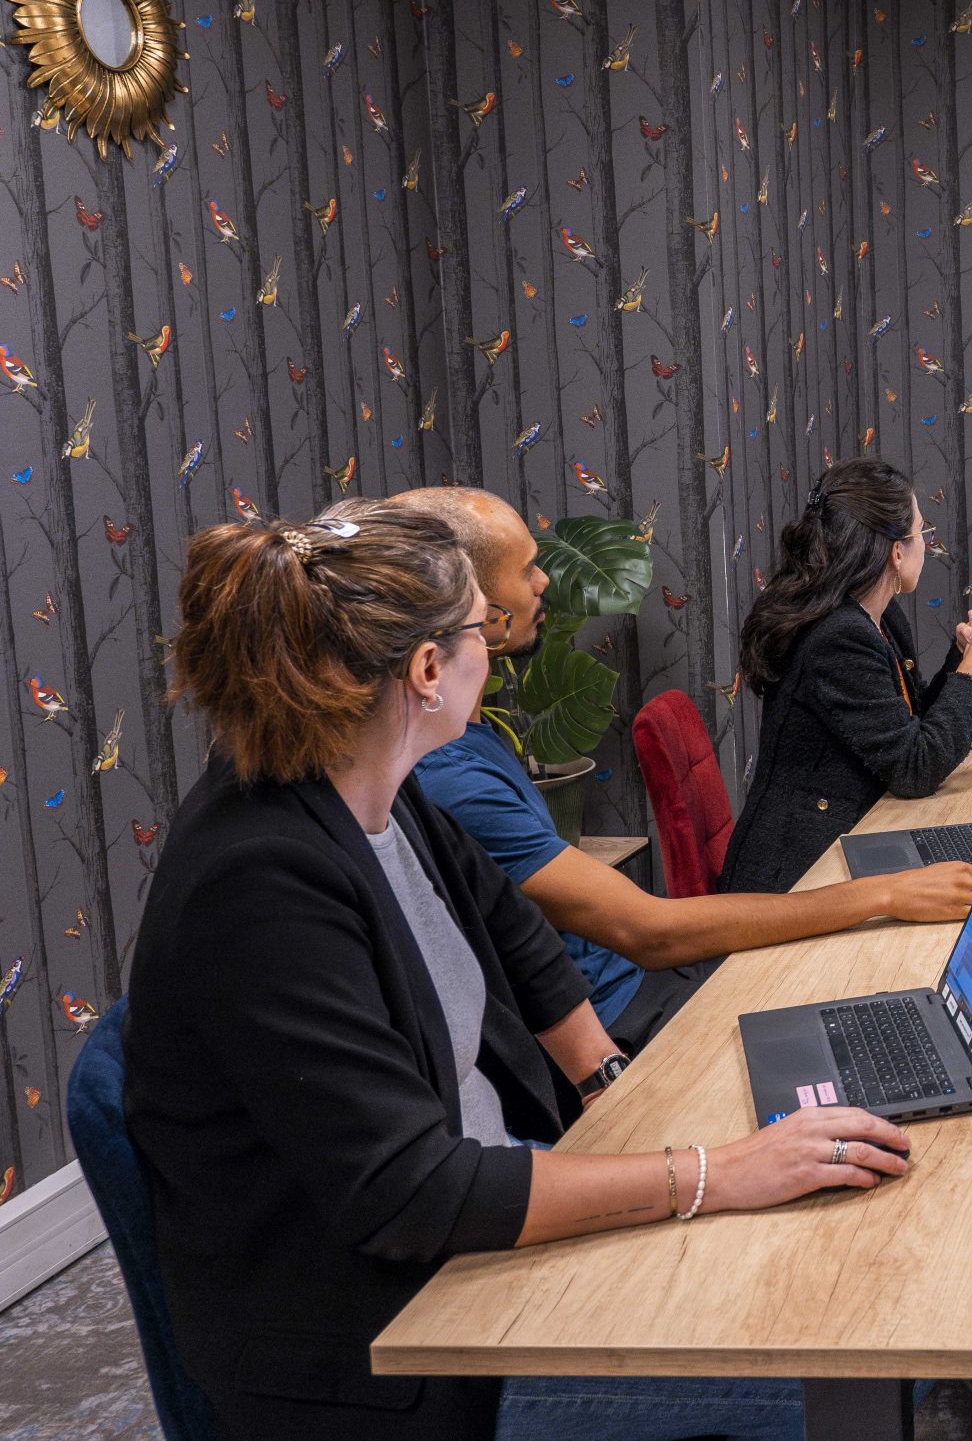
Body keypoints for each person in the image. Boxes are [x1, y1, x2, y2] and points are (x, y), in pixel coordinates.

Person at [124, 502, 915, 1441]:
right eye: (476, 631)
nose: (491, 649)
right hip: (400, 1357)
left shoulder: (372, 784)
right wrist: (710, 1173)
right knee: (825, 1369)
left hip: (474, 1244)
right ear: (427, 670)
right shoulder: (259, 878)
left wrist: (609, 1080)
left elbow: (519, 937)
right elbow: (413, 1190)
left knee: (823, 1273)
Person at [389, 487, 972, 1055]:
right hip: (625, 1010)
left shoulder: (468, 735)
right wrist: (884, 893)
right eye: (524, 572)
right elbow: (647, 932)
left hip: (626, 989)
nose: (545, 582)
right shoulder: (447, 778)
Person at [720, 460, 972, 896]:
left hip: (849, 836)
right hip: (794, 876)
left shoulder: (877, 615)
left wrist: (967, 659)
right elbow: (915, 769)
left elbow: (909, 728)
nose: (926, 543)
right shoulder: (838, 636)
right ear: (896, 550)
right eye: (922, 532)